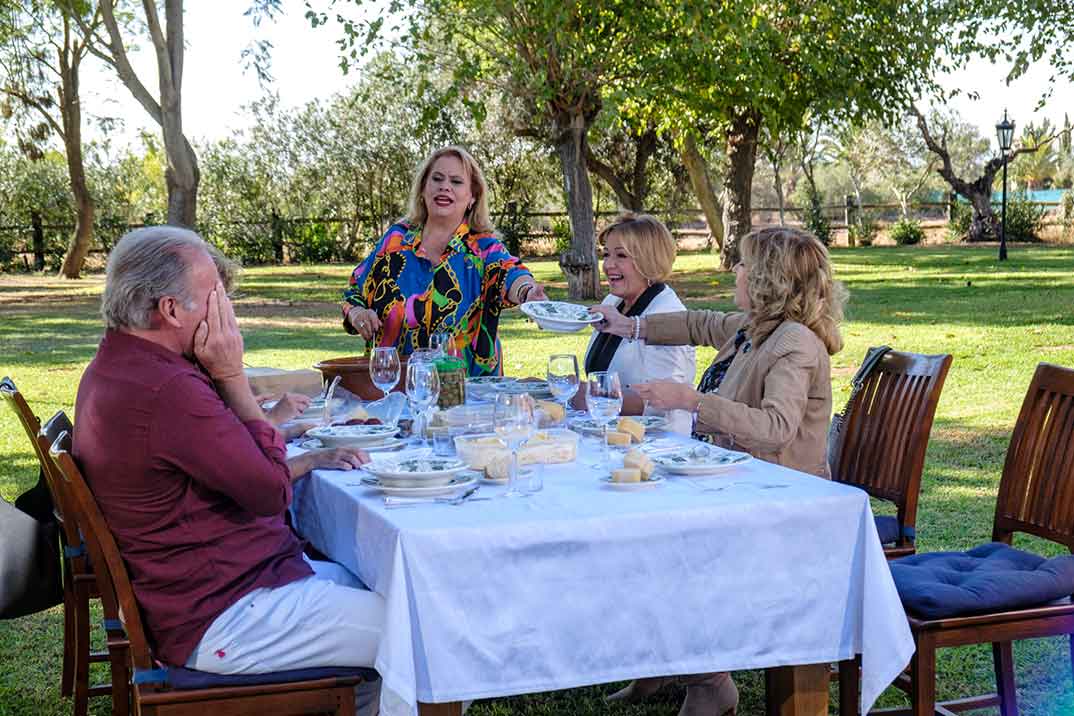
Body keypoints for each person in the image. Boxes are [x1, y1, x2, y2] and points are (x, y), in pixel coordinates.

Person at [72, 227, 384, 714]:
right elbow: (270, 491)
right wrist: (233, 376)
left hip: (219, 590)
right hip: (226, 615)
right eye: (216, 299)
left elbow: (235, 458)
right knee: (429, 632)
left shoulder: (117, 365)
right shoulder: (167, 389)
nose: (227, 315)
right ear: (172, 310)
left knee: (386, 586)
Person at [589, 226, 847, 715]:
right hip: (741, 484)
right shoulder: (758, 328)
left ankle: (707, 681)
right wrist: (629, 326)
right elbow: (699, 324)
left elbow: (775, 428)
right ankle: (666, 660)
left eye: (745, 265)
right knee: (639, 523)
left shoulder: (793, 343)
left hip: (783, 503)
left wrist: (693, 401)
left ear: (770, 279)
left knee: (661, 540)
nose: (737, 271)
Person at [342, 145, 548, 377]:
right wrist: (357, 313)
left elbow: (510, 274)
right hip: (393, 389)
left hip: (467, 397)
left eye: (457, 181)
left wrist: (529, 293)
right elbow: (355, 291)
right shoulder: (395, 239)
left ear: (472, 197)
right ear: (423, 189)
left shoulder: (483, 248)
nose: (445, 186)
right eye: (437, 178)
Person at [582, 213, 695, 433]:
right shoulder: (613, 302)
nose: (608, 265)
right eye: (606, 254)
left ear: (648, 260)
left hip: (658, 445)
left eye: (621, 256)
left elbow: (660, 403)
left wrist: (588, 395)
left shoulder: (668, 316)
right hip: (613, 436)